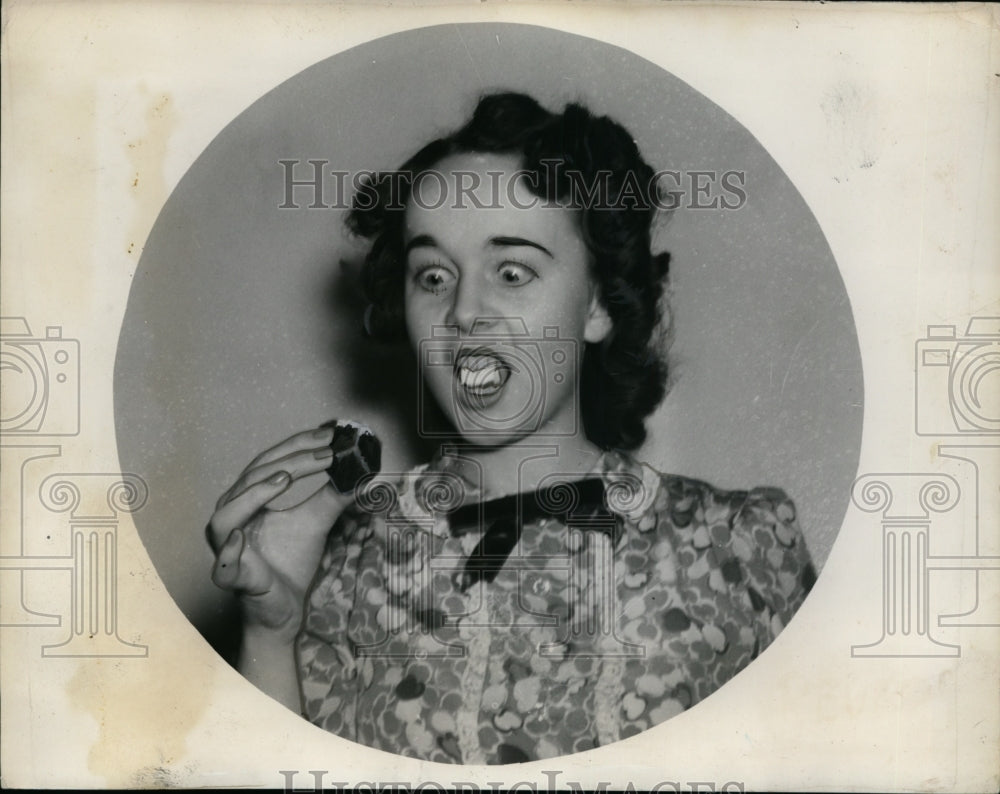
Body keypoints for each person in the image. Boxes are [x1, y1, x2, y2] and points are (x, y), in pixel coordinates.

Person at [206, 92, 816, 764]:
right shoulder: (342, 568)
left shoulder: (740, 550)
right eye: (433, 275)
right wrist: (272, 631)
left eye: (513, 271)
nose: (465, 309)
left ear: (596, 307)